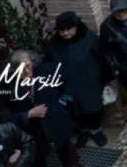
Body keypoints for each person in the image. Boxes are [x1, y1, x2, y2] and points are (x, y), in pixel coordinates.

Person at [4, 48, 78, 167]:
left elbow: (68, 81)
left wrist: (63, 101)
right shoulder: (9, 87)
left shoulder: (46, 70)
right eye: (21, 69)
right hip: (33, 134)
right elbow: (6, 116)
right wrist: (28, 114)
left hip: (56, 124)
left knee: (70, 158)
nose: (27, 71)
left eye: (28, 66)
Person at [45, 12, 107, 147]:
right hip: (67, 85)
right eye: (62, 30)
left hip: (89, 82)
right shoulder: (53, 45)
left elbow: (101, 58)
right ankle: (83, 131)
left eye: (69, 29)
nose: (65, 33)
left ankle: (96, 130)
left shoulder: (89, 38)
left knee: (93, 109)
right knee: (75, 111)